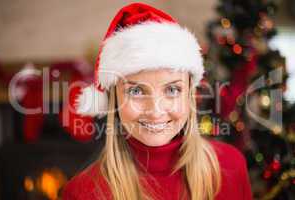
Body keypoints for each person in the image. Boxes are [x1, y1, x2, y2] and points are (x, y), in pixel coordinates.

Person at [62, 2, 252, 200]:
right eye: (136, 91)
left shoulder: (230, 167)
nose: (155, 111)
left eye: (172, 89)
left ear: (189, 95)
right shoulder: (83, 192)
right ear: (114, 100)